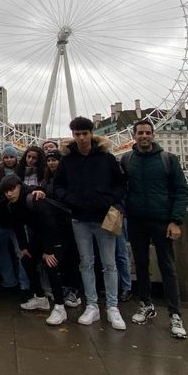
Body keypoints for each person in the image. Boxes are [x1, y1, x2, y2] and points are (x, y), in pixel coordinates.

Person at [54, 116, 127, 330]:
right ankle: (92, 305)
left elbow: (121, 185)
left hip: (104, 217)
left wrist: (108, 200)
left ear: (91, 133)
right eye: (77, 134)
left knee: (109, 263)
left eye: (84, 134)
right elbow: (58, 186)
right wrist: (70, 199)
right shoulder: (67, 161)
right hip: (80, 219)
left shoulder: (107, 158)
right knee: (85, 263)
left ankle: (112, 307)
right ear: (73, 135)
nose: (81, 138)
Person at [123, 120, 188, 339]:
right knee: (140, 265)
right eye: (140, 133)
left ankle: (175, 314)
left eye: (148, 133)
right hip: (136, 221)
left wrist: (176, 221)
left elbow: (181, 191)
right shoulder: (127, 160)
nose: (144, 136)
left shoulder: (168, 159)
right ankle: (145, 304)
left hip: (162, 221)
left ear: (153, 135)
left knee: (167, 266)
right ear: (133, 135)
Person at [1, 174, 70, 325]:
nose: (9, 194)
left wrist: (48, 250)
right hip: (39, 235)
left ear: (19, 186)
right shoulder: (12, 205)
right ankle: (40, 298)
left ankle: (60, 307)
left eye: (12, 189)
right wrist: (23, 247)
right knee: (27, 260)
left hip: (58, 233)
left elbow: (49, 223)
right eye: (6, 191)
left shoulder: (32, 198)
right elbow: (17, 226)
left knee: (51, 264)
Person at [43, 150, 82, 309]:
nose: (51, 163)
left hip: (69, 223)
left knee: (72, 258)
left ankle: (75, 290)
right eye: (49, 160)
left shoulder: (69, 178)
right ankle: (65, 288)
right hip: (54, 225)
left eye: (54, 160)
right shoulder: (46, 181)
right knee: (61, 260)